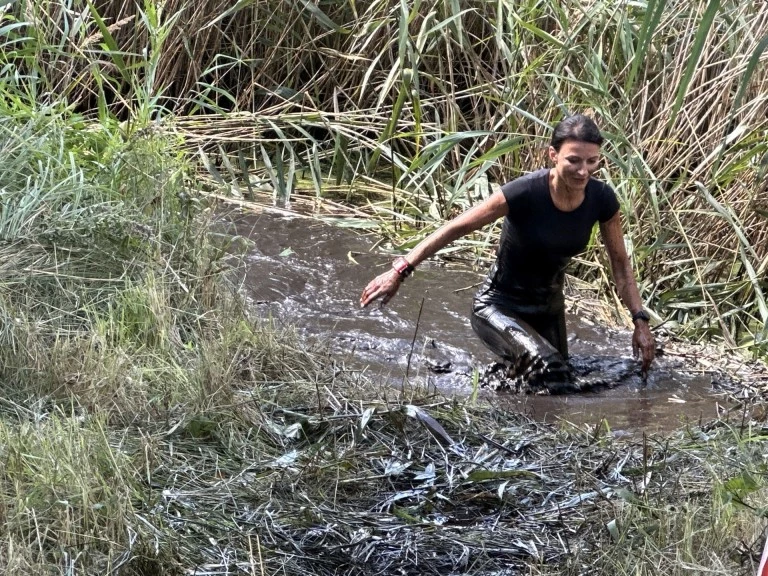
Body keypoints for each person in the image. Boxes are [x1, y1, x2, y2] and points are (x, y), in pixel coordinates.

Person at [360, 114, 655, 386]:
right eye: (574, 160)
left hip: (548, 309)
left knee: (560, 379)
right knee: (548, 368)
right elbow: (455, 227)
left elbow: (619, 262)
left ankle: (505, 388)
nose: (583, 171)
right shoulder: (525, 192)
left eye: (592, 162)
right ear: (553, 155)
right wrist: (400, 269)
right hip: (498, 306)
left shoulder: (602, 199)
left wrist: (639, 320)